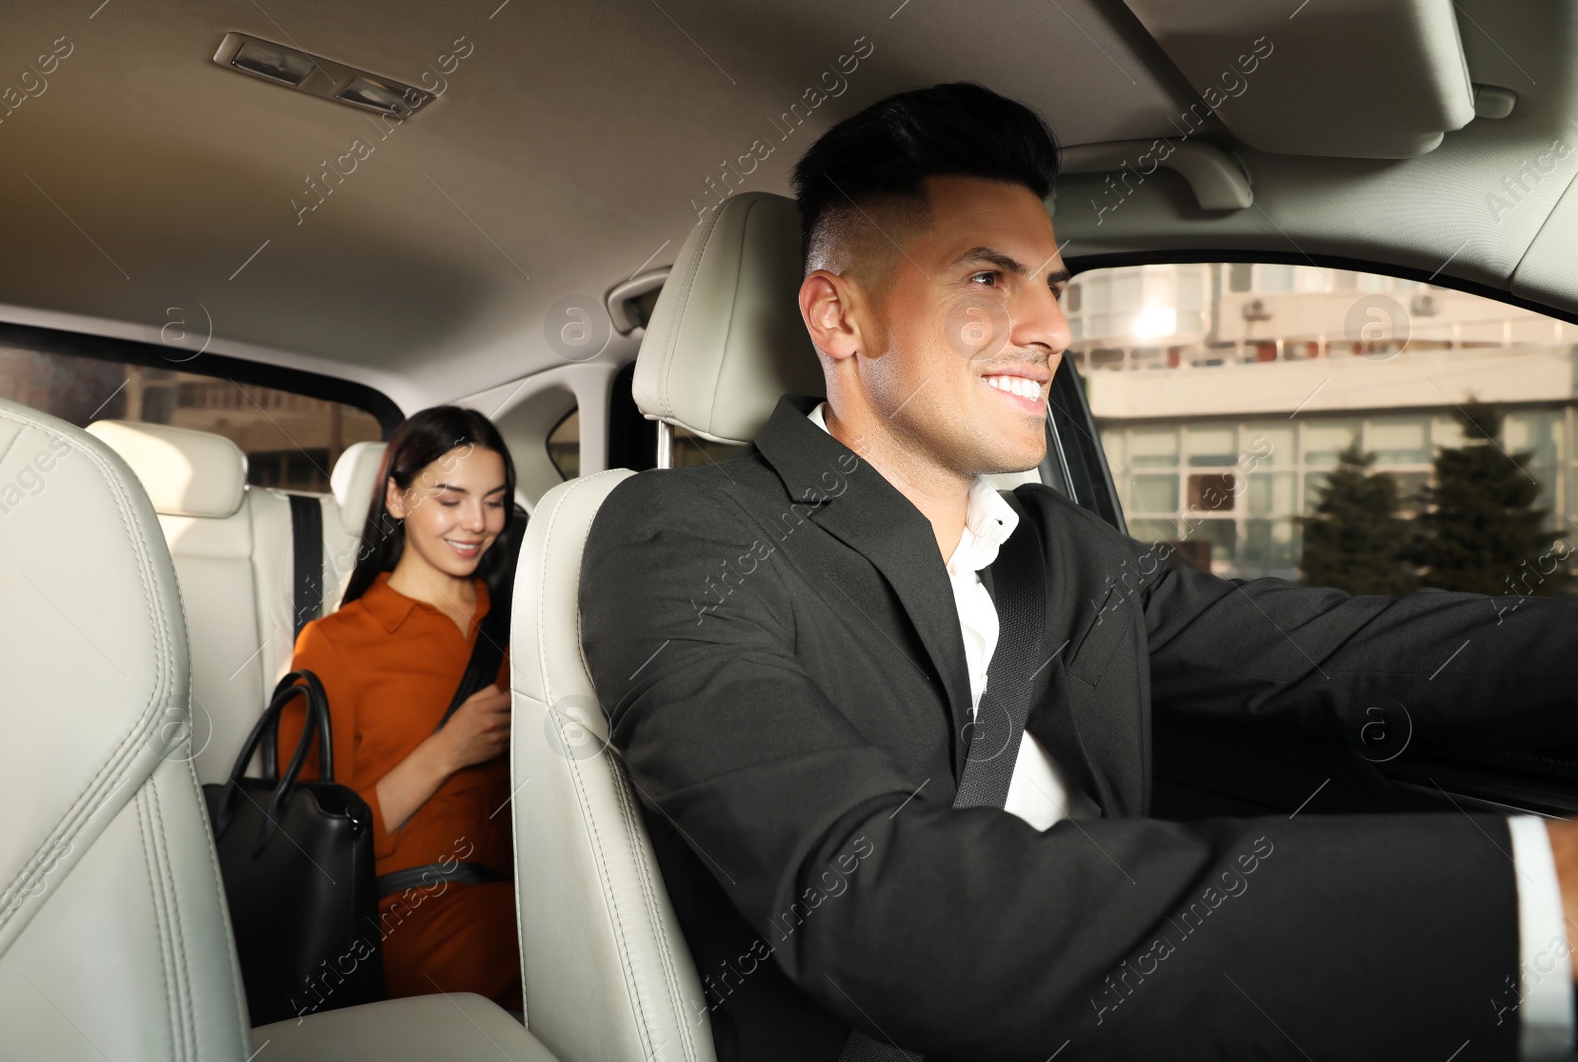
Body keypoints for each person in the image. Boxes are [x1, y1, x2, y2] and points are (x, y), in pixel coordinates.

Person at [578, 83, 1578, 1060]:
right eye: (985, 277)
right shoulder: (678, 537)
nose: (1053, 328)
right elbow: (876, 904)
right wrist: (1536, 897)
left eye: (1053, 285)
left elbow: (1345, 652)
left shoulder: (1063, 549)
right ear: (839, 319)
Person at [277, 405, 522, 1013]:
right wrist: (446, 752)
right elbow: (303, 849)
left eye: (494, 501)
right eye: (450, 498)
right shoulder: (336, 644)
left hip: (533, 891)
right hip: (405, 914)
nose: (477, 522)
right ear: (396, 498)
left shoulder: (528, 624)